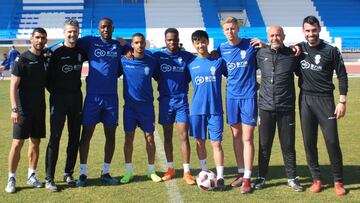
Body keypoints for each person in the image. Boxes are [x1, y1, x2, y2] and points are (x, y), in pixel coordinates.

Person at [298, 16, 348, 196]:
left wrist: (342, 100)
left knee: (332, 141)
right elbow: (279, 50)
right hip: (305, 100)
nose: (311, 34)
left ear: (319, 29)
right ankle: (316, 179)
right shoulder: (299, 49)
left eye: (313, 30)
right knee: (309, 142)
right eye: (307, 31)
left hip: (325, 100)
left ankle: (338, 181)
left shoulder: (331, 50)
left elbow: (342, 75)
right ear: (303, 31)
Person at [75, 17, 126, 186]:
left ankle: (105, 172)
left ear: (113, 28)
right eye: (103, 27)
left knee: (110, 135)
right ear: (98, 28)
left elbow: (134, 48)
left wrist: (125, 42)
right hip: (93, 97)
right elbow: (71, 41)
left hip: (111, 98)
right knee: (86, 134)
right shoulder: (90, 41)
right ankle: (82, 173)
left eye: (108, 27)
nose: (105, 29)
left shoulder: (118, 45)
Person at [217, 16, 264, 194]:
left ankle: (247, 179)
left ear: (238, 28)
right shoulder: (221, 48)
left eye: (233, 28)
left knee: (247, 138)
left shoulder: (250, 45)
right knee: (236, 136)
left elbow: (269, 54)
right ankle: (240, 172)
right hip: (231, 98)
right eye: (227, 29)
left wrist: (264, 44)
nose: (230, 31)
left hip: (248, 97)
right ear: (223, 31)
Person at [254, 25, 303, 192]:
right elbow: (245, 71)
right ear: (268, 37)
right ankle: (261, 177)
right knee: (264, 145)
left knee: (288, 145)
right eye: (272, 35)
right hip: (265, 108)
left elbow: (304, 62)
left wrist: (298, 47)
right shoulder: (260, 54)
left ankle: (292, 178)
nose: (275, 38)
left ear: (284, 36)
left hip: (286, 108)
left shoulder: (292, 55)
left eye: (278, 35)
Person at [44, 19, 87, 192]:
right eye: (69, 31)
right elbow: (45, 78)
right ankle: (49, 178)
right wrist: (57, 92)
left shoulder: (81, 51)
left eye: (75, 31)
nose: (72, 34)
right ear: (64, 33)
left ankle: (68, 173)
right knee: (55, 137)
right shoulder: (53, 52)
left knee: (74, 137)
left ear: (78, 32)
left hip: (76, 99)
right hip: (58, 100)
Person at [5, 27, 47, 193]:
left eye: (43, 38)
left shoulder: (45, 58)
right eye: (37, 37)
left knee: (35, 142)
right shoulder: (21, 60)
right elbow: (13, 86)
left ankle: (31, 175)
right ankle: (11, 178)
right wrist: (14, 109)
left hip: (39, 109)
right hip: (22, 110)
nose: (40, 40)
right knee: (17, 144)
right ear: (31, 39)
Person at [152, 28, 196, 185]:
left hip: (181, 100)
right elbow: (155, 73)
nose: (172, 42)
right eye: (169, 40)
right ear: (165, 41)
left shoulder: (186, 56)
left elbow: (195, 68)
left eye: (174, 39)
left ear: (178, 39)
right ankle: (170, 169)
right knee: (167, 135)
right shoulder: (158, 56)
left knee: (183, 135)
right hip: (165, 101)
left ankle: (187, 171)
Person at [119, 33, 162, 183]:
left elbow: (159, 76)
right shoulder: (124, 60)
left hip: (146, 107)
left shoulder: (151, 61)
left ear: (145, 44)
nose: (139, 45)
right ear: (132, 45)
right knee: (128, 137)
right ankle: (128, 172)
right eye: (136, 43)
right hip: (130, 107)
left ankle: (151, 171)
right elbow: (117, 41)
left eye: (142, 42)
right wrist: (124, 47)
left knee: (149, 138)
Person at [188, 30, 227, 190]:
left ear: (207, 42)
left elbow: (232, 73)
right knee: (200, 141)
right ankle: (204, 170)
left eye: (203, 42)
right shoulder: (190, 63)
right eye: (197, 42)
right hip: (197, 110)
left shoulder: (218, 61)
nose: (200, 45)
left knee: (216, 143)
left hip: (215, 110)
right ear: (193, 44)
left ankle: (221, 176)